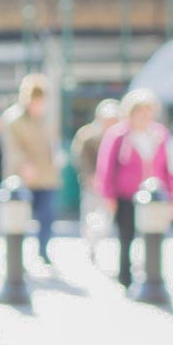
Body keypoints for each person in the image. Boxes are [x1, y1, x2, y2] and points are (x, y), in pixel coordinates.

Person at [94, 89, 173, 289]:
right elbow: (106, 166)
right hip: (127, 195)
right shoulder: (119, 135)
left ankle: (152, 275)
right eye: (140, 112)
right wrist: (108, 195)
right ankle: (125, 276)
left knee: (154, 236)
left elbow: (168, 168)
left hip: (155, 197)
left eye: (148, 112)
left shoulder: (158, 134)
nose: (144, 117)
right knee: (126, 236)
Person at [0, 75, 66, 264]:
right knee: (18, 219)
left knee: (47, 216)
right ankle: (15, 258)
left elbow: (53, 143)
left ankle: (43, 251)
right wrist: (23, 165)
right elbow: (12, 148)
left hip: (47, 176)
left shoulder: (46, 119)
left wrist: (57, 157)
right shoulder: (13, 119)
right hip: (21, 179)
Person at [71, 99, 121, 262]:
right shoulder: (87, 136)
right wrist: (91, 176)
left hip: (112, 185)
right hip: (92, 184)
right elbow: (80, 158)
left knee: (107, 219)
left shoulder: (118, 136)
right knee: (91, 215)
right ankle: (91, 246)